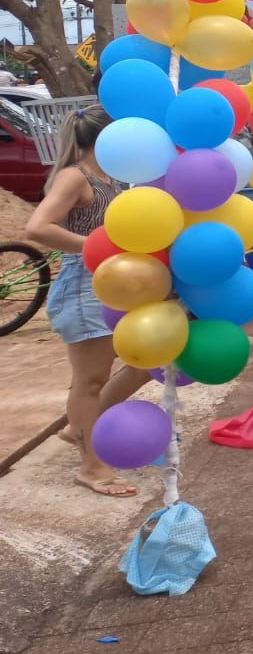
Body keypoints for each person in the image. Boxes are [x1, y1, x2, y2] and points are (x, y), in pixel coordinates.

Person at [25, 107, 151, 495]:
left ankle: (78, 427)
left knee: (146, 364)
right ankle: (91, 467)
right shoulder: (74, 176)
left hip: (116, 284)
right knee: (90, 380)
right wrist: (97, 248)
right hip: (84, 285)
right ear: (105, 139)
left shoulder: (112, 177)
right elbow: (37, 227)